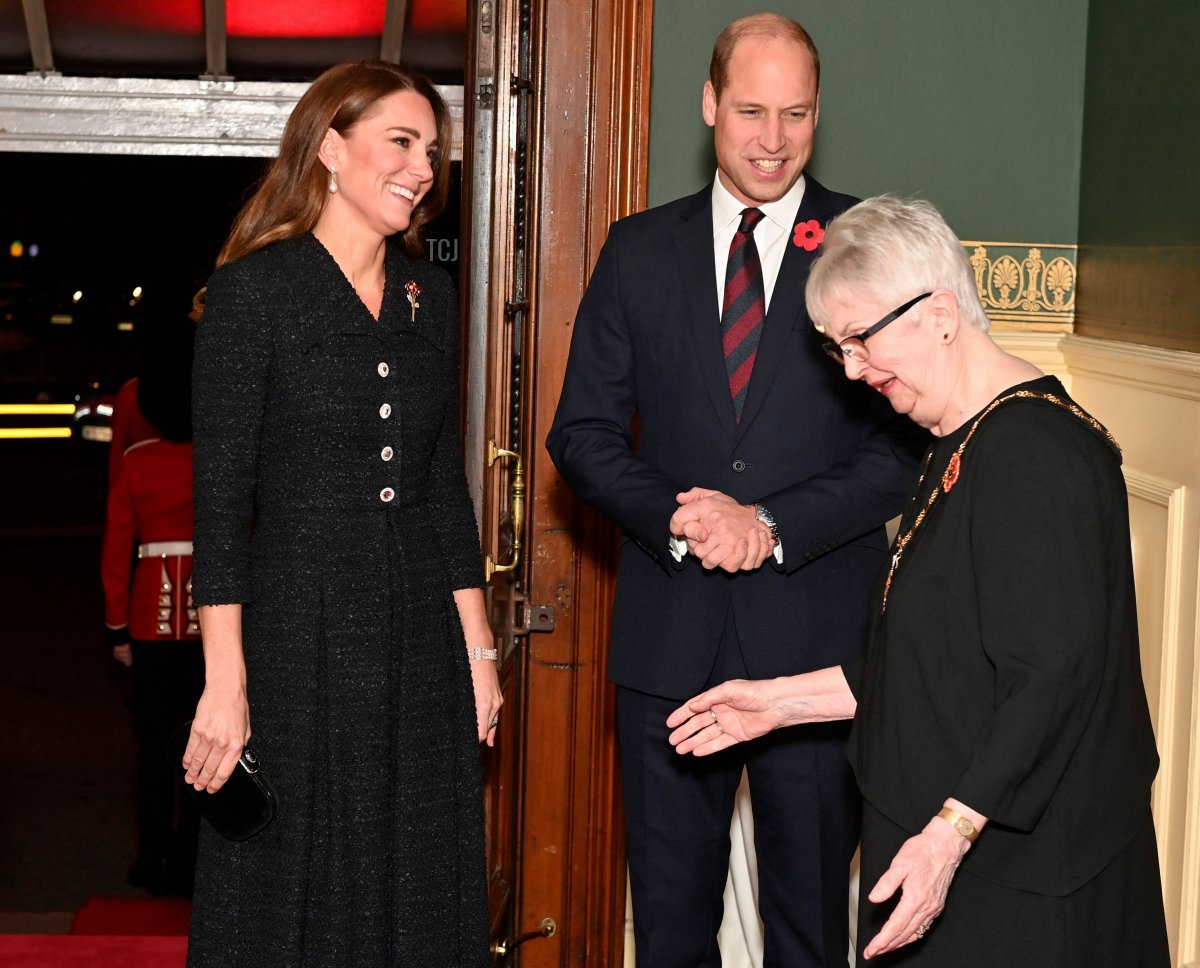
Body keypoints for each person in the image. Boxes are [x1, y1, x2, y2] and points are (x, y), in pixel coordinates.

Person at [667, 194, 1171, 966]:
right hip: (958, 853)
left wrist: (946, 839)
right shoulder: (953, 443)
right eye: (839, 348)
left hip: (1025, 885)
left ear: (940, 312)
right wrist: (778, 704)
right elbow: (942, 666)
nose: (854, 369)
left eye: (861, 340)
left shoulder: (1037, 454)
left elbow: (1048, 682)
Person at [546, 14, 925, 967]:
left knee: (811, 932)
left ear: (817, 113)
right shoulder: (636, 252)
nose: (772, 137)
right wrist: (686, 518)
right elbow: (580, 436)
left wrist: (769, 524)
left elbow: (896, 455)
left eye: (794, 113)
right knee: (671, 932)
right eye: (751, 109)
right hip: (670, 643)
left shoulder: (862, 245)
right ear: (709, 103)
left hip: (816, 656)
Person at [180, 60, 501, 967]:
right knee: (297, 881)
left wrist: (478, 654)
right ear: (329, 147)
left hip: (416, 638)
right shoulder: (255, 294)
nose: (420, 167)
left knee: (416, 875)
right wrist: (224, 682)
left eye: (431, 151)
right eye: (400, 142)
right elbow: (220, 510)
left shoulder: (425, 297)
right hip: (296, 631)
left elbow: (442, 490)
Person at [102, 310, 205, 896]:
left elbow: (117, 549)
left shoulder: (137, 462)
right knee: (201, 743)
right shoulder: (212, 461)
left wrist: (115, 625)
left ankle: (151, 858)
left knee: (150, 743)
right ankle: (192, 859)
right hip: (208, 621)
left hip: (146, 617)